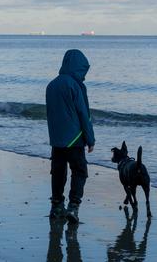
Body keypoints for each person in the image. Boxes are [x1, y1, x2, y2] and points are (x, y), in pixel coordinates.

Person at [46, 49, 95, 223]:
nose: (84, 75)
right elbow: (83, 114)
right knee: (80, 171)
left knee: (58, 172)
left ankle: (56, 206)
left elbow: (50, 113)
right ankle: (73, 207)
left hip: (57, 139)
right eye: (83, 71)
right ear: (78, 68)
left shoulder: (51, 85)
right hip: (75, 139)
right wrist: (90, 139)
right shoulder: (76, 86)